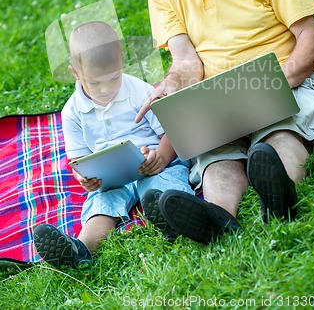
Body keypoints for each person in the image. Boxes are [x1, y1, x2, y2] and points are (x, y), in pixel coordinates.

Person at [134, 0, 314, 244]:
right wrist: (173, 85)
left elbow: (311, 37)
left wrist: (276, 82)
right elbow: (185, 62)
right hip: (217, 98)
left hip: (283, 79)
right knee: (215, 155)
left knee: (279, 135)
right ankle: (218, 218)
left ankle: (279, 198)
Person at [33, 21, 195, 268]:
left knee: (162, 186)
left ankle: (172, 219)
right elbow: (78, 160)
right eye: (96, 83)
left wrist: (161, 157)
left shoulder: (138, 91)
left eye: (114, 78)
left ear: (121, 60)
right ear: (76, 74)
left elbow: (171, 130)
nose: (106, 88)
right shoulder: (72, 113)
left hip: (153, 163)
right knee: (102, 204)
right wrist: (86, 178)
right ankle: (79, 249)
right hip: (110, 180)